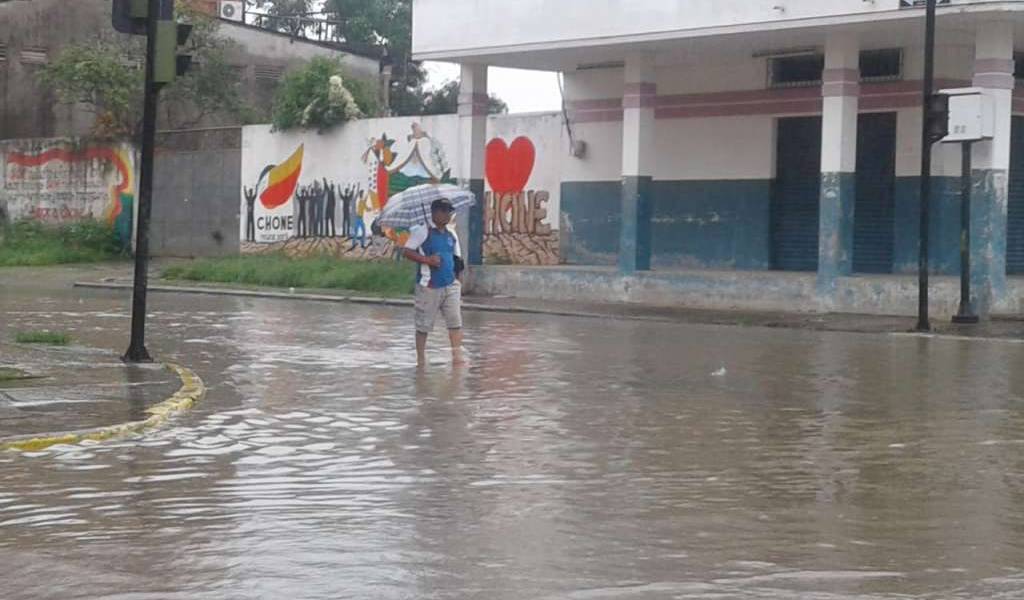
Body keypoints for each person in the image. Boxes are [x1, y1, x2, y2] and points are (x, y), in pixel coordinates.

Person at [402, 198, 465, 367]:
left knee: (455, 322)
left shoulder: (451, 233)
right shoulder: (422, 231)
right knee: (424, 325)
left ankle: (457, 358)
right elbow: (407, 251)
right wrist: (427, 260)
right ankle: (421, 359)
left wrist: (458, 280)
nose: (447, 215)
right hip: (428, 286)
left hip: (450, 285)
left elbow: (457, 258)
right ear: (434, 212)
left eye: (449, 211)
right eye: (443, 211)